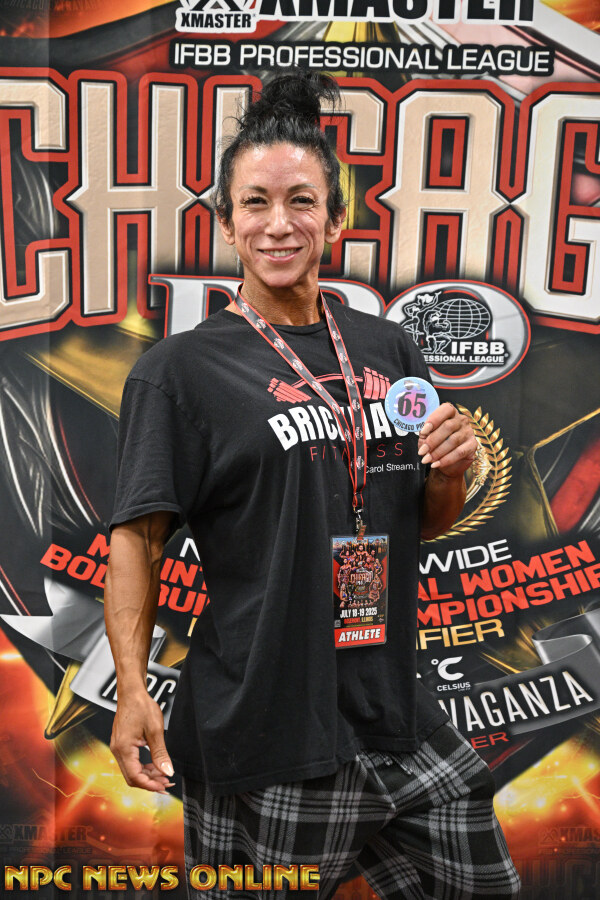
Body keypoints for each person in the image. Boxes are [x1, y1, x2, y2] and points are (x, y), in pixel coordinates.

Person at [105, 72, 521, 899]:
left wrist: (452, 469)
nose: (278, 223)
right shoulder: (180, 372)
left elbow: (422, 520)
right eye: (255, 203)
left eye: (302, 201)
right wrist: (131, 691)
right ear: (226, 224)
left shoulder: (388, 348)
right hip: (265, 723)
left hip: (388, 708)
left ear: (335, 220)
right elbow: (137, 541)